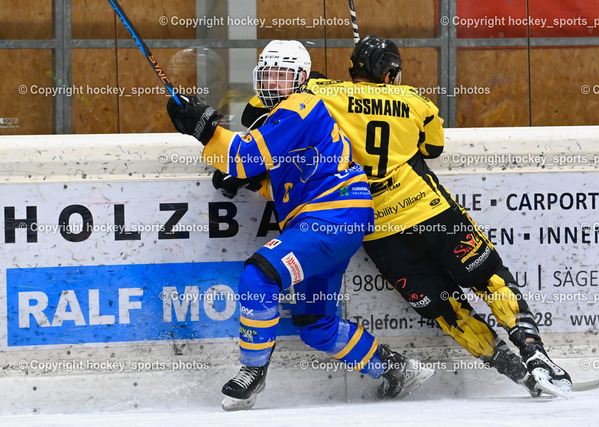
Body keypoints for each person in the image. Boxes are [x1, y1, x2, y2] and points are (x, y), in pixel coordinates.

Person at [235, 35, 572, 398]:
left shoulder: (322, 94)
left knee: (447, 311)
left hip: (379, 232)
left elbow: (255, 111)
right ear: (390, 74)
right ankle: (536, 355)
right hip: (432, 213)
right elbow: (433, 146)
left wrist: (320, 81)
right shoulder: (415, 100)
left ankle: (517, 373)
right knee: (489, 278)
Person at [166, 40, 433, 411]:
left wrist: (205, 128)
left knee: (259, 276)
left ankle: (253, 370)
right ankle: (398, 369)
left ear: (302, 79)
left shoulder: (300, 105)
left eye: (283, 75)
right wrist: (252, 180)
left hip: (331, 217)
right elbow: (288, 179)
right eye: (268, 74)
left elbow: (245, 156)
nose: (274, 82)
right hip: (336, 220)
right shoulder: (287, 117)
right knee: (317, 326)